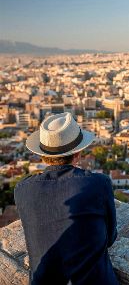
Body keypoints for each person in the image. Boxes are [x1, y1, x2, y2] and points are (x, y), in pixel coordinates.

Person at [14, 112, 119, 285]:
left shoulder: (23, 189)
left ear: (42, 154)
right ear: (77, 153)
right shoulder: (98, 184)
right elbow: (110, 238)